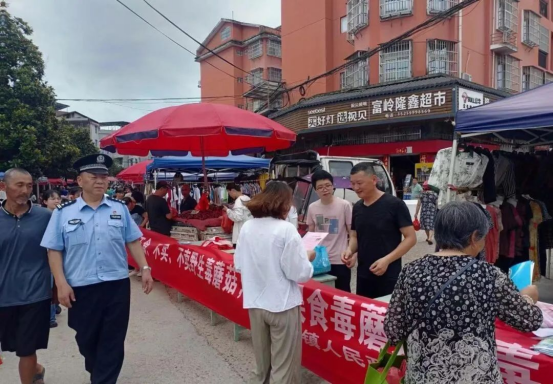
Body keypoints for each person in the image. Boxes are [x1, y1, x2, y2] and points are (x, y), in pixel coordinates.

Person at [384, 202, 543, 384]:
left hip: (423, 378)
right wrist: (528, 297)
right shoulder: (488, 275)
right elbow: (530, 320)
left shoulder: (411, 271)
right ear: (475, 237)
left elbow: (393, 330)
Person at [40, 154, 154, 384]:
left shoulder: (119, 209)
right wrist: (60, 283)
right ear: (80, 181)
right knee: (86, 338)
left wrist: (145, 267)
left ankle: (103, 379)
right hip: (81, 286)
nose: (100, 181)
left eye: (104, 177)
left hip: (116, 284)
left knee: (113, 338)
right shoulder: (64, 212)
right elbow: (53, 250)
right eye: (94, 177)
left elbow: (132, 240)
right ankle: (98, 371)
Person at [234, 182, 315, 384]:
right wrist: (308, 257)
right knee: (283, 367)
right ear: (284, 203)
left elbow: (239, 264)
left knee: (261, 366)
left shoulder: (247, 227)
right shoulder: (286, 229)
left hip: (255, 303)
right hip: (282, 304)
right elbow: (299, 273)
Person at [0, 168, 52, 384]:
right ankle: (37, 369)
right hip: (4, 296)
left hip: (35, 294)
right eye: (19, 185)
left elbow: (58, 253)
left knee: (26, 350)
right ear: (4, 187)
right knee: (12, 347)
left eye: (29, 186)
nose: (25, 190)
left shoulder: (46, 217)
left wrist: (59, 286)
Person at [342, 162, 416, 299]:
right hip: (363, 274)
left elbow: (411, 238)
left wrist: (387, 260)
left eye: (359, 183)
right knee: (366, 314)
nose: (356, 188)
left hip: (388, 274)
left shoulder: (395, 205)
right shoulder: (357, 207)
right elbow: (355, 236)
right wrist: (350, 251)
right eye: (352, 184)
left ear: (374, 180)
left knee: (387, 315)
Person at [307, 170, 353, 292]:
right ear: (315, 190)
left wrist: (353, 254)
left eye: (327, 185)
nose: (325, 189)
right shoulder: (312, 207)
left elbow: (352, 233)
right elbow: (311, 234)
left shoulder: (344, 205)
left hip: (340, 259)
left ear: (333, 186)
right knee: (321, 294)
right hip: (319, 261)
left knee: (343, 294)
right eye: (320, 187)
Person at [41, 190, 62, 328]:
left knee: (57, 285)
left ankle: (56, 306)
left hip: (60, 257)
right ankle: (51, 317)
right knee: (49, 287)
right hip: (46, 258)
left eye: (58, 198)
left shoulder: (62, 214)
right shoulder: (41, 217)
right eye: (52, 199)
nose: (56, 201)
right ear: (44, 201)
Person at [414, 181, 439, 245]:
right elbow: (437, 204)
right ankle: (430, 238)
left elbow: (418, 204)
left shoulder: (422, 194)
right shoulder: (435, 194)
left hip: (424, 211)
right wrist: (436, 210)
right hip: (432, 211)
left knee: (425, 225)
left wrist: (416, 213)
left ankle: (428, 237)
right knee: (432, 224)